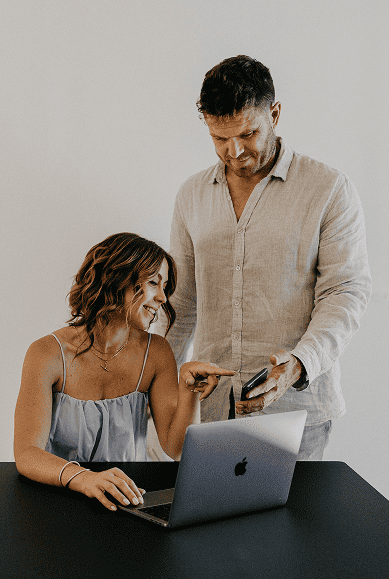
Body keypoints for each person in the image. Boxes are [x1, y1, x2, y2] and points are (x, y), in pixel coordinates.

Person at [156, 55, 372, 460]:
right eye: (219, 138)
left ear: (274, 114)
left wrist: (299, 364)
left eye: (248, 133)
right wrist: (155, 385)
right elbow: (180, 303)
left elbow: (345, 293)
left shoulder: (329, 189)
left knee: (290, 508)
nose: (234, 151)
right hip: (212, 408)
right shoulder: (191, 195)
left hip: (296, 411)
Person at [14, 232, 234, 511]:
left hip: (128, 500)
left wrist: (189, 390)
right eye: (154, 282)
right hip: (57, 499)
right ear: (116, 278)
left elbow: (176, 448)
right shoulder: (46, 353)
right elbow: (27, 454)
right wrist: (85, 479)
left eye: (165, 286)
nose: (162, 297)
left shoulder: (157, 353)